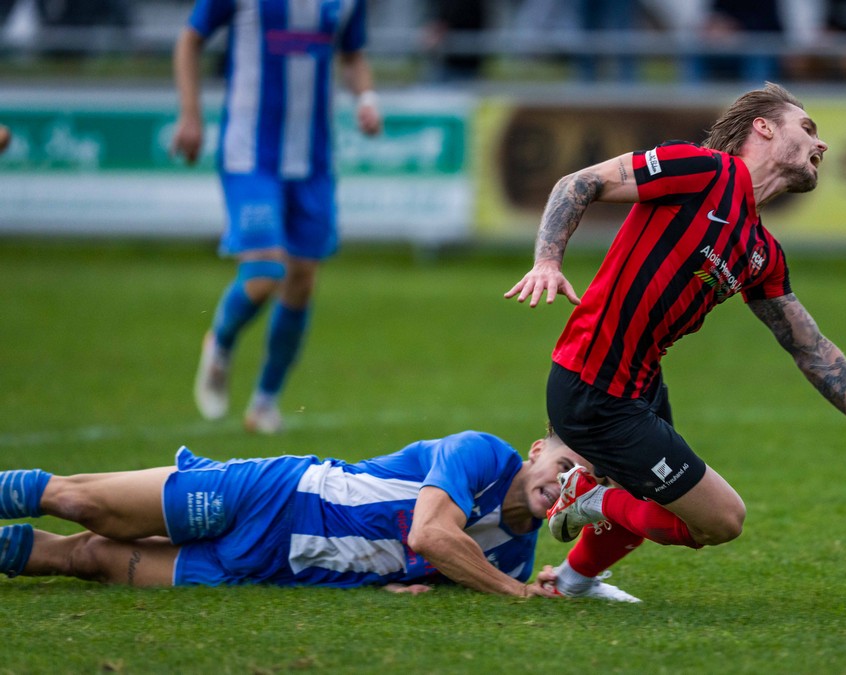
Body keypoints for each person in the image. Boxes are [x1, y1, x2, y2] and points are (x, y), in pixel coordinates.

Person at [505, 82, 846, 595]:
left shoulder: (761, 251)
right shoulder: (702, 170)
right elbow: (578, 181)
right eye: (807, 128)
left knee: (667, 505)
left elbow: (811, 348)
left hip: (639, 384)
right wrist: (547, 261)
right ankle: (590, 501)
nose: (821, 144)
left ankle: (571, 580)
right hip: (593, 384)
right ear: (763, 127)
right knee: (722, 520)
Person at [0, 429, 638, 601]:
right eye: (565, 465)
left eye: (584, 484)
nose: (566, 485)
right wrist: (517, 595)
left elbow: (428, 567)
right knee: (80, 502)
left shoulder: (515, 557)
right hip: (272, 495)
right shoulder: (480, 454)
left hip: (267, 567)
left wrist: (397, 583)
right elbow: (429, 535)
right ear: (537, 450)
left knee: (87, 559)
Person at [171, 0, 383, 434]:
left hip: (313, 162)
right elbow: (190, 40)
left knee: (302, 279)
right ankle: (220, 342)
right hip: (250, 157)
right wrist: (190, 115)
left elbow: (353, 54)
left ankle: (264, 402)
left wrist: (366, 98)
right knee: (266, 271)